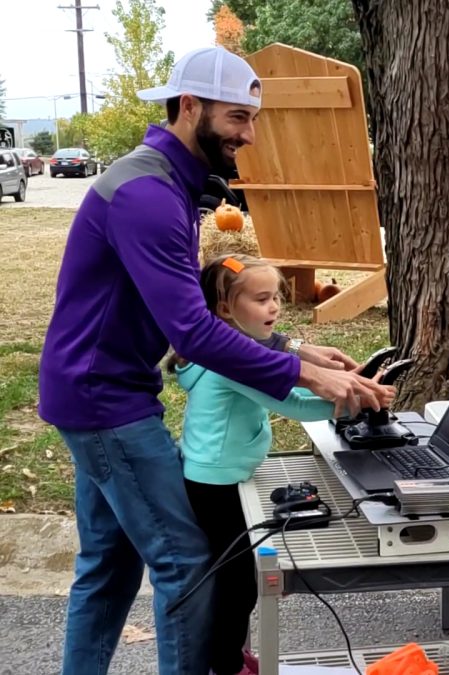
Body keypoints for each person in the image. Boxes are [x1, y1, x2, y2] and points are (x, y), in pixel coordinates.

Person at [38, 46, 395, 675]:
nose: (248, 135)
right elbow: (197, 334)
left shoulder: (165, 183)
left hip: (97, 393)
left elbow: (193, 316)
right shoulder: (148, 195)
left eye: (252, 119)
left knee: (108, 568)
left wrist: (291, 344)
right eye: (237, 118)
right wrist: (308, 373)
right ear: (190, 106)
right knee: (186, 566)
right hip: (106, 402)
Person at [170, 254, 335, 675]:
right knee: (238, 581)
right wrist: (347, 402)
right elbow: (293, 403)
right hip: (216, 484)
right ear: (225, 309)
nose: (274, 307)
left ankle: (226, 654)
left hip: (217, 477)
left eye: (276, 296)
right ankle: (224, 664)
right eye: (261, 299)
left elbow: (281, 362)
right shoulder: (231, 364)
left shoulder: (227, 351)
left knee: (236, 577)